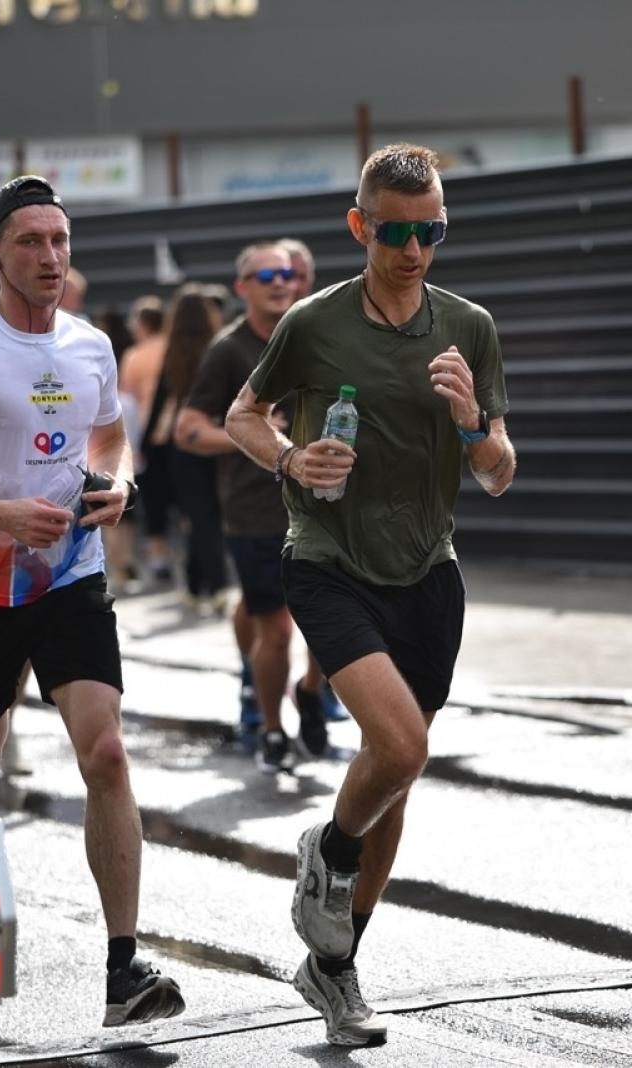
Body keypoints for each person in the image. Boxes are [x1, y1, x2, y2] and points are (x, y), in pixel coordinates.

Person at [226, 143, 515, 1047]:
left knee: (397, 776)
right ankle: (331, 849)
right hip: (328, 560)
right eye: (395, 233)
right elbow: (243, 415)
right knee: (401, 744)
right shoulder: (312, 324)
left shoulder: (469, 327)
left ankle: (335, 964)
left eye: (432, 232)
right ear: (360, 227)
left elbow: (499, 472)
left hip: (428, 569)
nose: (414, 250)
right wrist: (288, 459)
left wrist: (472, 423)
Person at [0, 174, 183, 1027]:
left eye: (60, 240)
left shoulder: (91, 346)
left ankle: (123, 968)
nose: (51, 256)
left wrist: (118, 483)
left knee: (108, 753)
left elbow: (110, 436)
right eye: (30, 242)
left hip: (71, 575)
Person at [177, 241, 331, 772]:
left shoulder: (313, 336)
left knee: (330, 624)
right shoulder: (229, 350)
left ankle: (311, 691)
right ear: (242, 287)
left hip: (323, 506)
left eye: (286, 274)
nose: (279, 282)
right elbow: (188, 429)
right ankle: (271, 728)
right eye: (266, 275)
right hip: (255, 511)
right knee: (278, 631)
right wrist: (254, 437)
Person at [149, 285, 229, 613]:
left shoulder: (173, 354)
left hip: (182, 445)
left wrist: (148, 444)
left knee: (198, 516)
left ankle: (214, 586)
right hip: (217, 439)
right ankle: (201, 587)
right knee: (210, 515)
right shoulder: (219, 349)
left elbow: (162, 403)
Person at [119, 295, 174, 586]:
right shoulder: (174, 349)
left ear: (142, 324)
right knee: (184, 498)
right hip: (175, 434)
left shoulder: (134, 356)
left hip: (145, 437)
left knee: (154, 500)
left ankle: (158, 557)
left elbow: (125, 402)